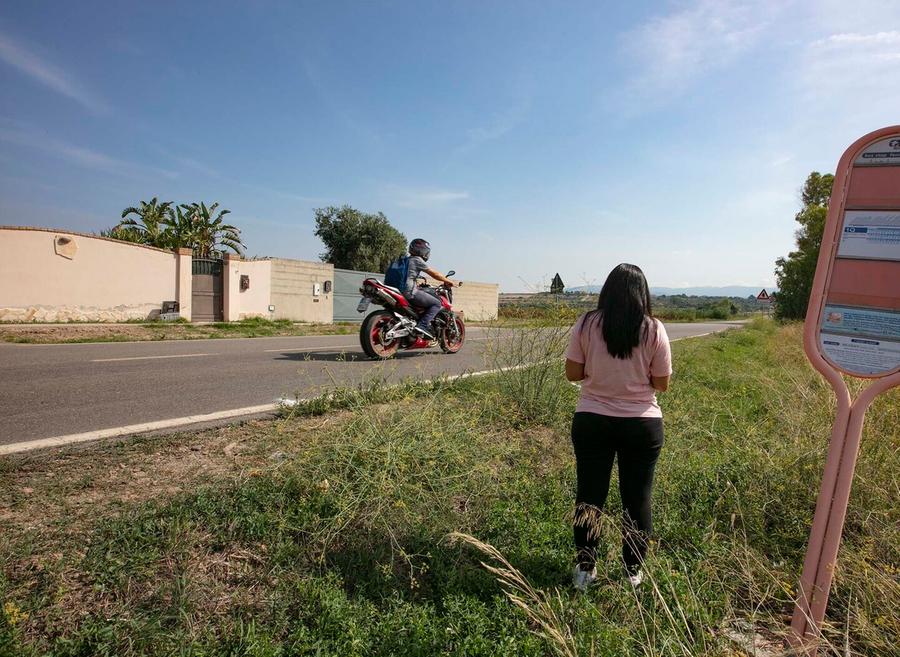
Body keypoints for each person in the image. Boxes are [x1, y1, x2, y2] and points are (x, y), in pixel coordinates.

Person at [564, 263, 672, 591]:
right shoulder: (654, 329)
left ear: (606, 291)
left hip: (592, 420)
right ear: (643, 294)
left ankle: (585, 569)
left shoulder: (585, 324)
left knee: (589, 496)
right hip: (642, 425)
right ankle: (633, 573)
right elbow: (661, 384)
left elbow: (573, 373)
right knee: (637, 498)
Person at [404, 238, 454, 340]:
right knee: (436, 303)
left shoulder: (404, 260)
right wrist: (448, 281)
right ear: (421, 251)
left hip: (397, 290)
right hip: (408, 292)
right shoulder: (417, 260)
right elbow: (434, 274)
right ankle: (422, 325)